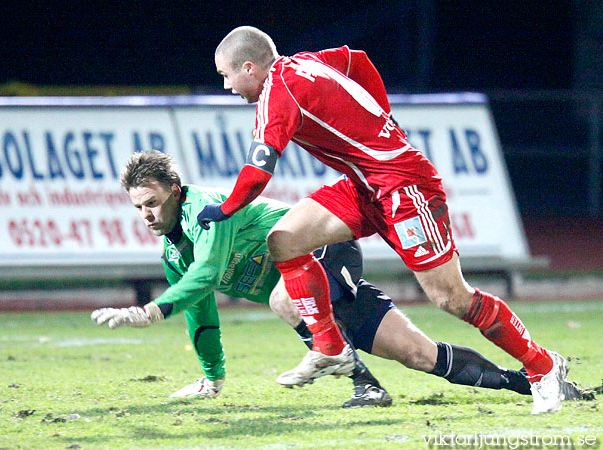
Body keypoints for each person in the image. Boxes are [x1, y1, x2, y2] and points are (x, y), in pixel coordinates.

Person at [196, 26, 573, 414]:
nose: (226, 86)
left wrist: (223, 210)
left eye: (226, 76)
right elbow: (355, 58)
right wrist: (380, 116)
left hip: (404, 188)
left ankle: (543, 367)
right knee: (285, 239)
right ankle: (330, 348)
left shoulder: (277, 95)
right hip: (363, 186)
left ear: (249, 67)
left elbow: (257, 173)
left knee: (451, 297)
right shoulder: (306, 62)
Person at [90, 151, 579, 406]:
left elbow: (208, 273)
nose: (146, 215)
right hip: (315, 296)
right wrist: (213, 378)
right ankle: (533, 382)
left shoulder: (206, 213)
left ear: (175, 191)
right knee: (417, 354)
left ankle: (359, 381)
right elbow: (201, 310)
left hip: (324, 250)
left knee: (285, 296)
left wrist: (152, 309)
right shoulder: (170, 250)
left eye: (152, 203)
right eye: (138, 208)